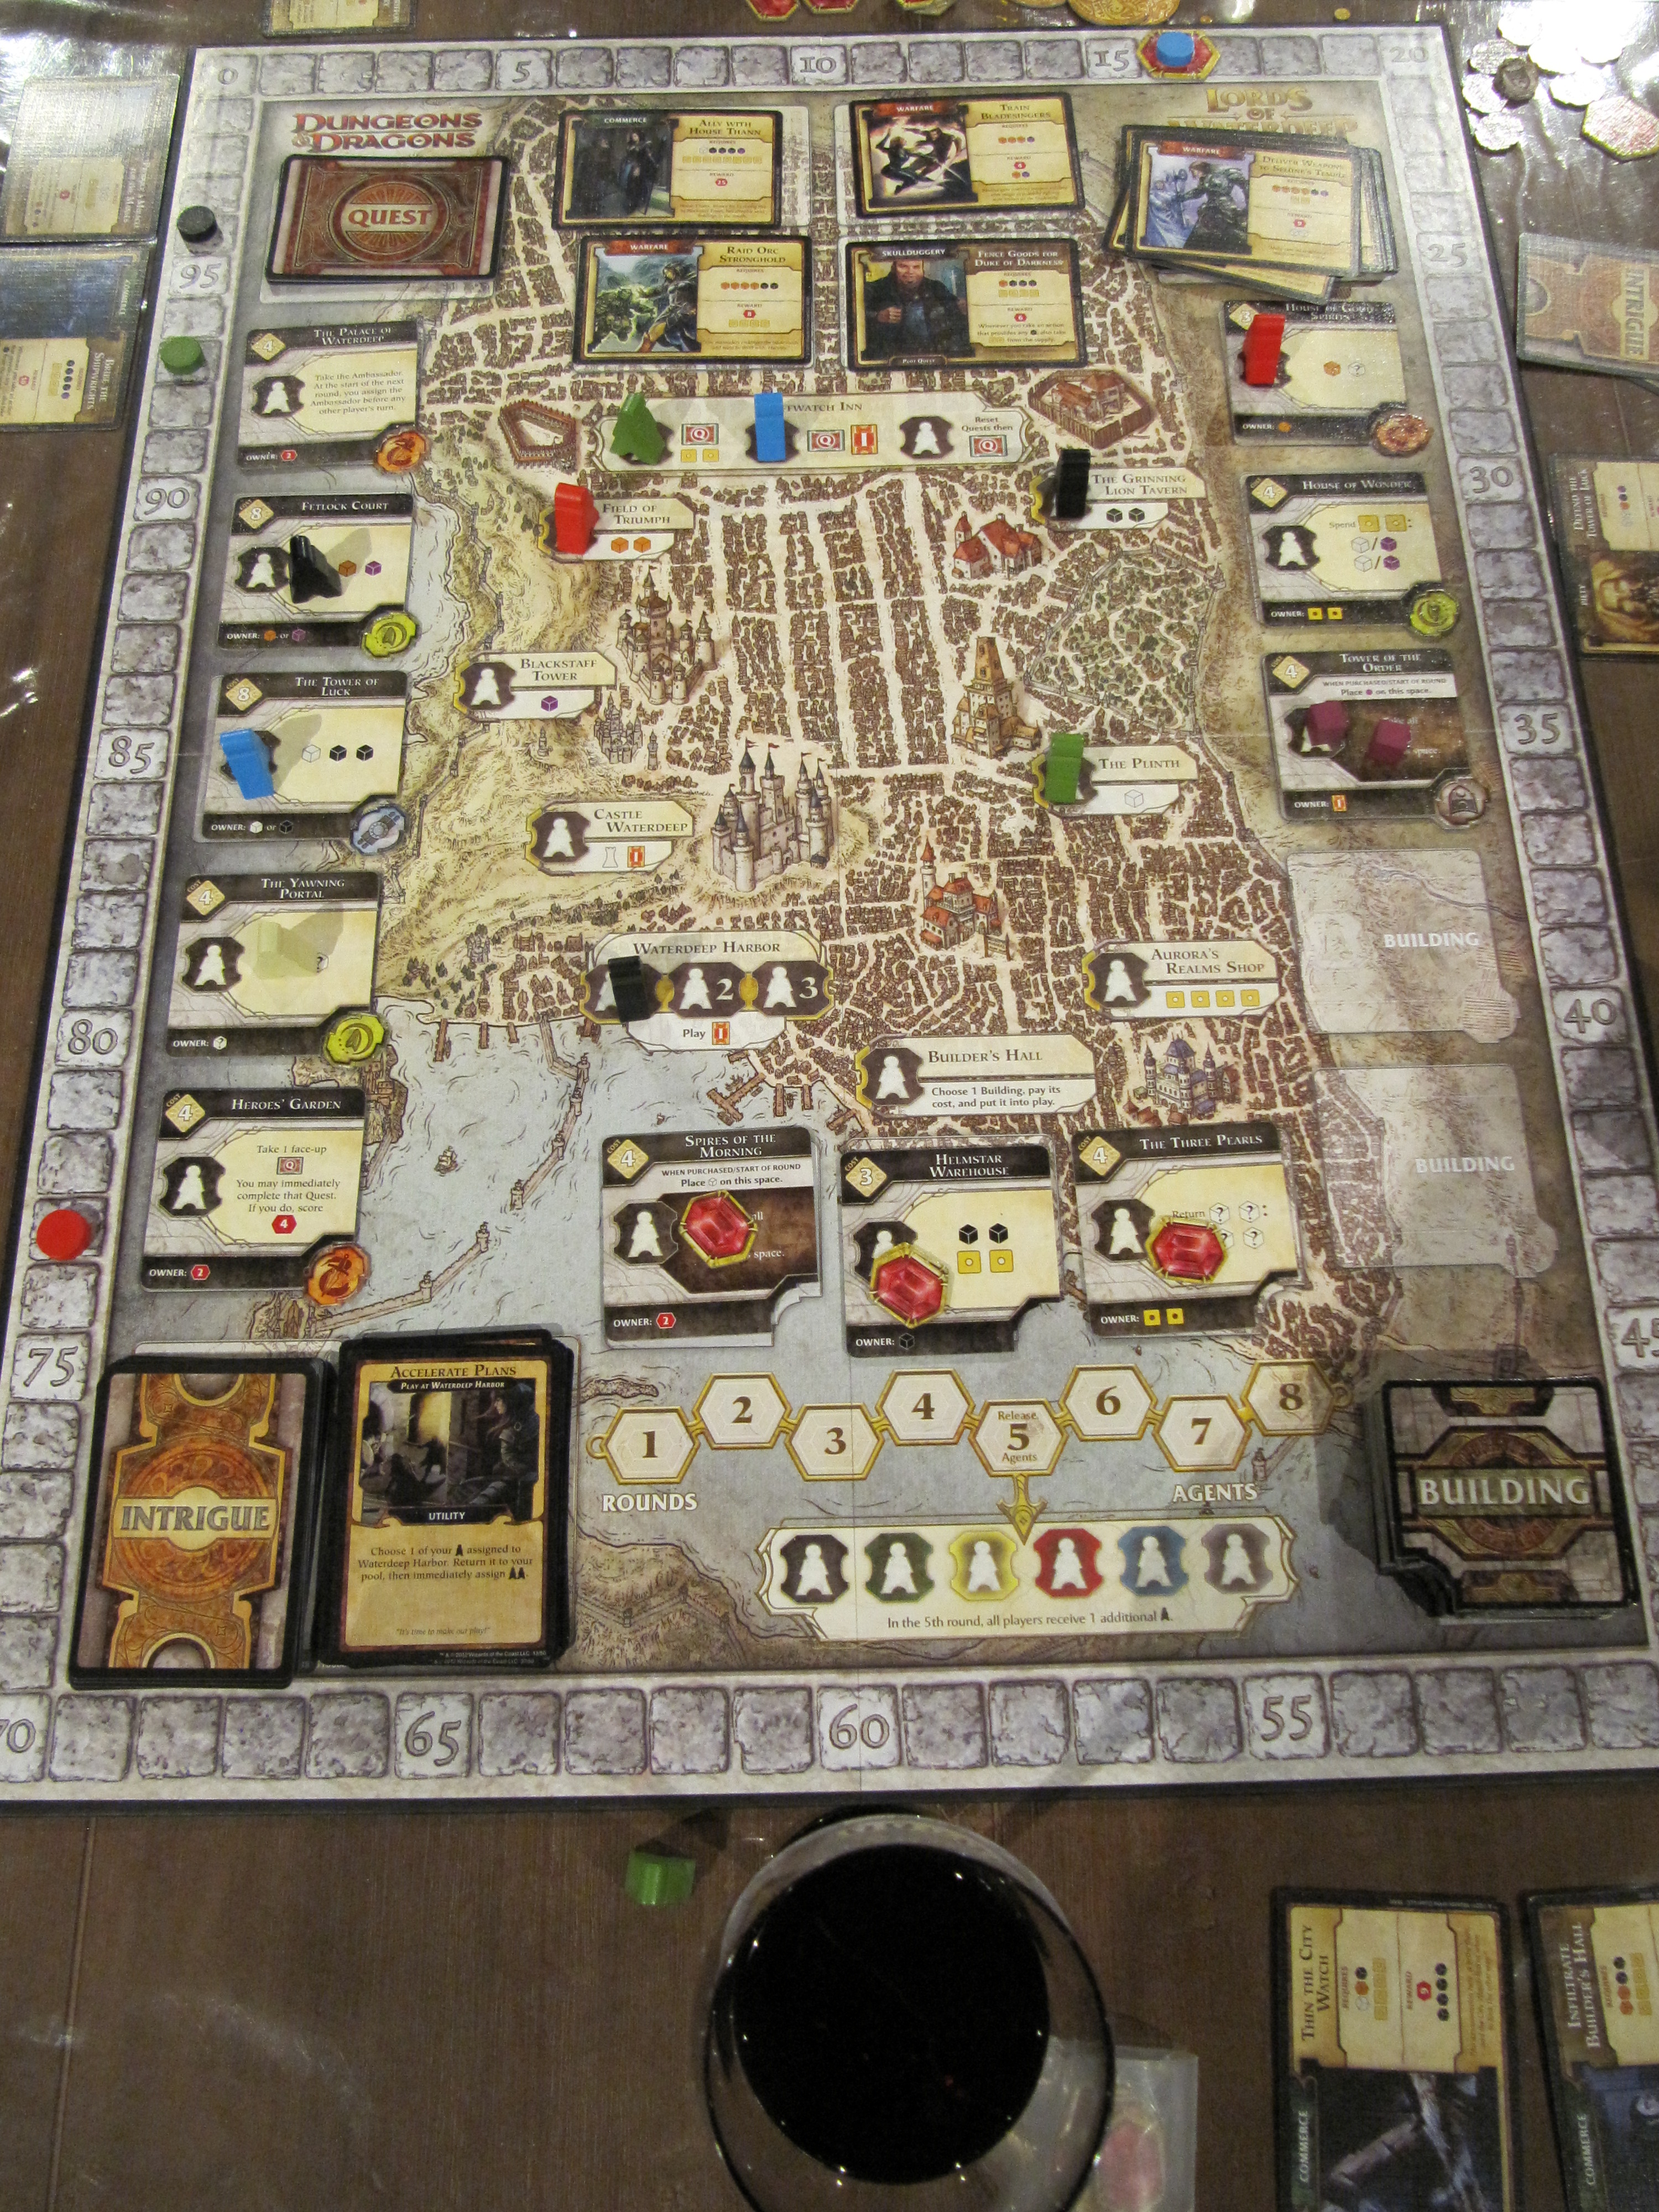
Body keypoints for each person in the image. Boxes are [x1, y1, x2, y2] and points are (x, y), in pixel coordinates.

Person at [860, 255, 971, 360]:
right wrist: (878, 317)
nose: (910, 272)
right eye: (903, 266)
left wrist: (962, 309)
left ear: (923, 269)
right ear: (893, 268)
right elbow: (855, 318)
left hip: (931, 355)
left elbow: (956, 312)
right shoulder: (875, 289)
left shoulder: (936, 287)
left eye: (916, 267)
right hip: (890, 357)